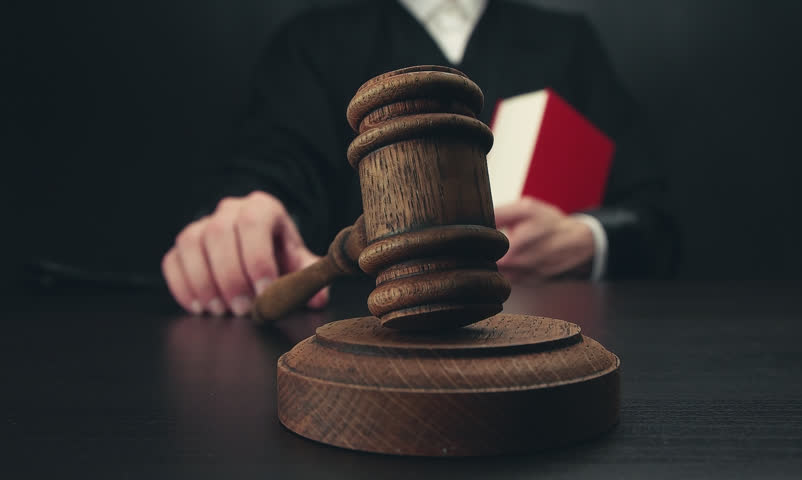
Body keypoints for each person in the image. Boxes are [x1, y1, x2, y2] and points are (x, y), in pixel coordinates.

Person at [161, 0, 677, 316]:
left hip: (551, 332)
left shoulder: (569, 45)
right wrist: (252, 213)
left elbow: (655, 218)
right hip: (371, 345)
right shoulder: (311, 43)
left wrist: (587, 240)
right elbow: (276, 167)